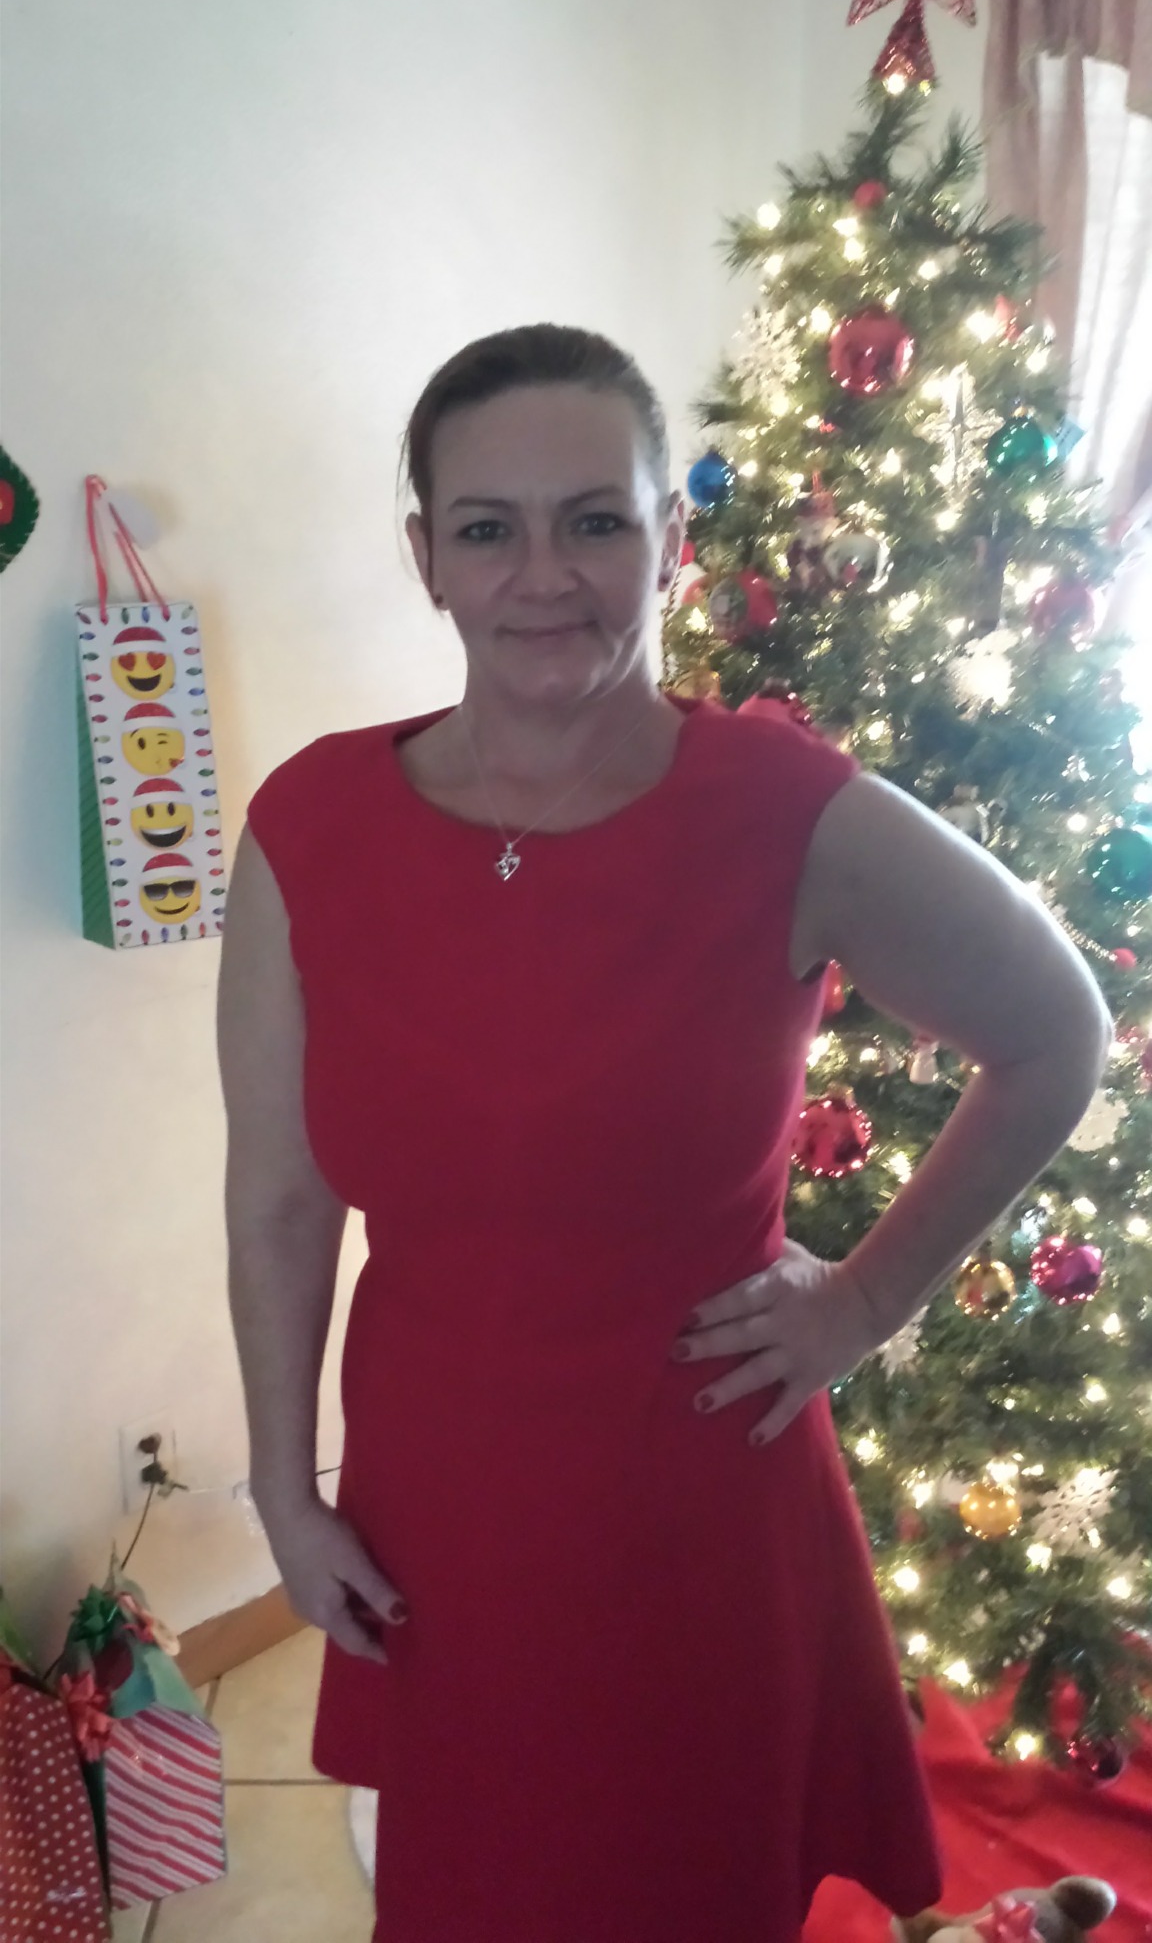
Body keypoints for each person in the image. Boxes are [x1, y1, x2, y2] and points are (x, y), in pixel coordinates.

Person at [217, 323, 1112, 1943]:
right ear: (427, 558)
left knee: (675, 1882)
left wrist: (864, 1300)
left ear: (671, 538)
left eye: (595, 520)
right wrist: (287, 1488)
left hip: (691, 1497)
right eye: (487, 528)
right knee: (476, 1888)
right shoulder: (307, 827)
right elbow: (282, 1197)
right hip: (437, 1493)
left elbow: (1057, 1033)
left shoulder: (784, 810)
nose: (542, 575)